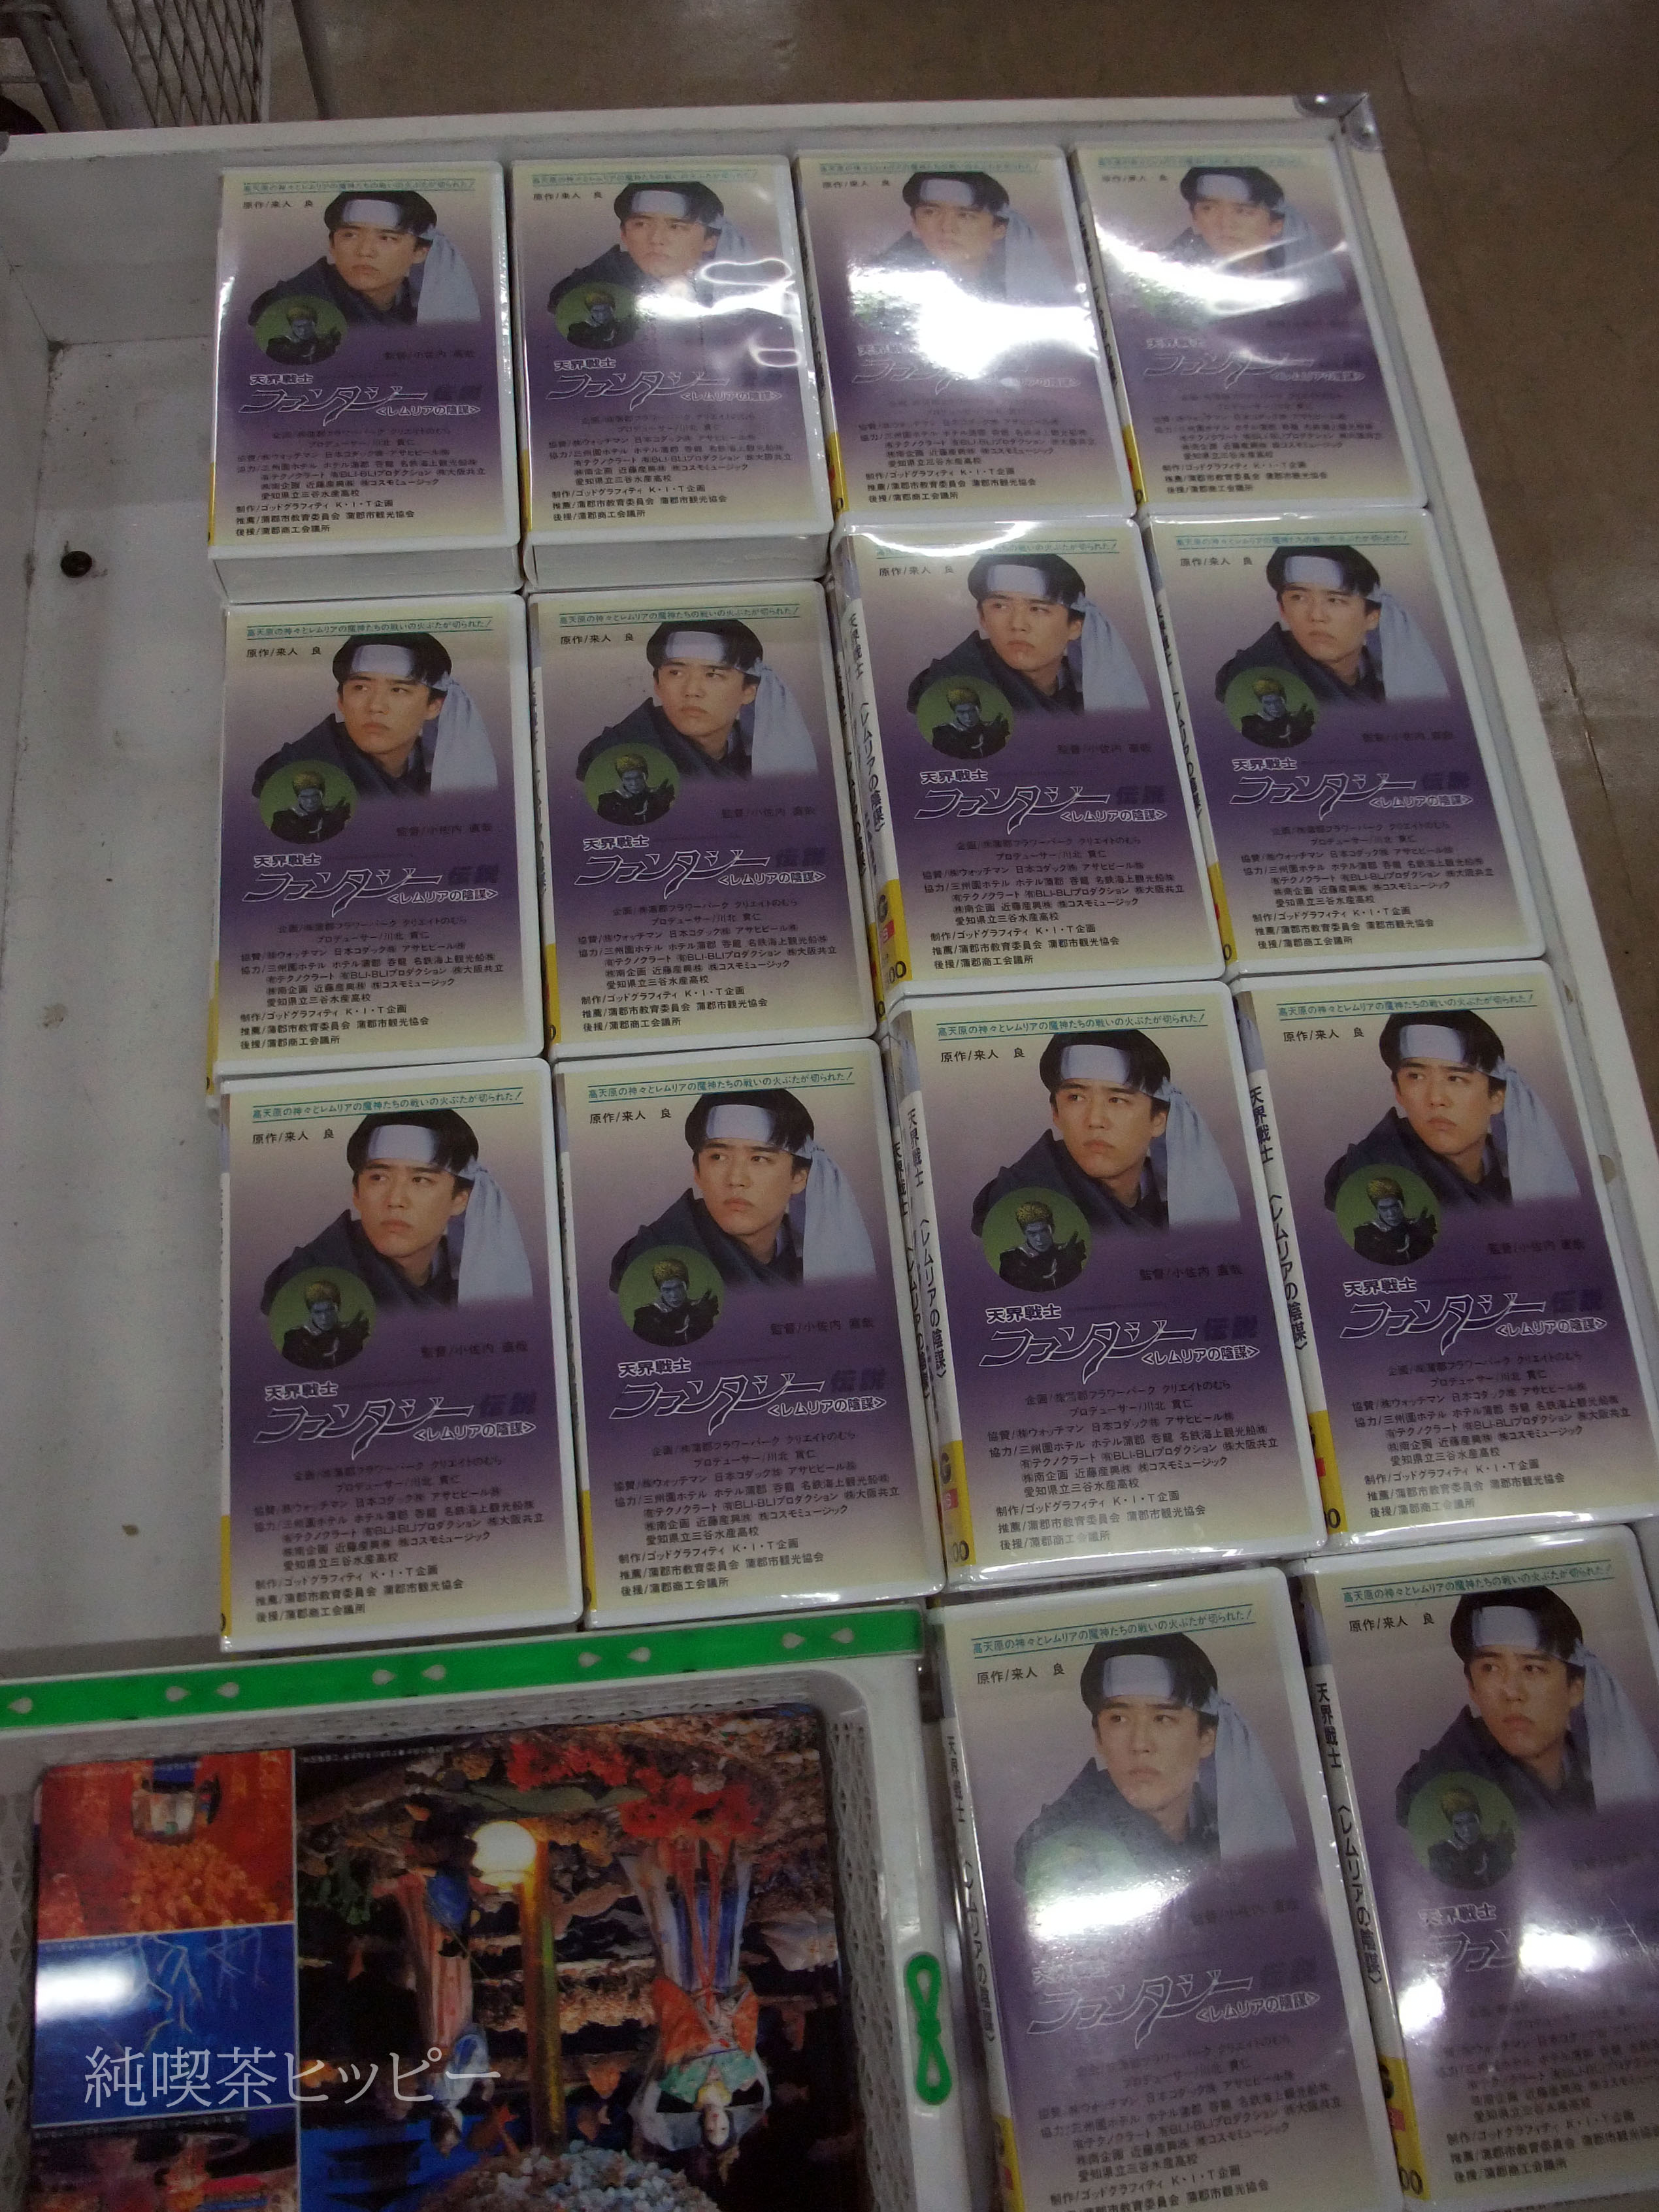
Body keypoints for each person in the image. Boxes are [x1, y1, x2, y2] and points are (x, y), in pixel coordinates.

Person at [1013, 1631, 1293, 1900]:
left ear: (1207, 1738)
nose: (1140, 1744)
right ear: (1099, 1737)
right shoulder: (1068, 1847)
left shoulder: (1230, 1824)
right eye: (1118, 1719)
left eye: (1163, 1719)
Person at [1394, 1587, 1659, 1828]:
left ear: (1575, 1689)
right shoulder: (1435, 1789)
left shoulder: (1604, 1772)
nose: (1512, 1692)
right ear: (1472, 1686)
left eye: (1532, 1668)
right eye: (1490, 1668)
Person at [972, 1030, 1238, 1242]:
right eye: (1076, 1098)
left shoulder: (1180, 1195)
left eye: (1117, 1100)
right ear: (1056, 1112)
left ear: (1158, 1120)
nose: (1095, 1120)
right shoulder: (1018, 1201)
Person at [263, 1108, 533, 1316]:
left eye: (420, 1180)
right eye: (378, 1178)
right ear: (357, 1193)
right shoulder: (312, 1282)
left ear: (460, 1200)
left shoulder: (469, 1274)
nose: (395, 1200)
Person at [609, 1090, 873, 1293]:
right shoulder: (654, 1263)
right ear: (697, 1172)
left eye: (759, 1159)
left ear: (799, 1177)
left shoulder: (817, 1253)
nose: (736, 1179)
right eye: (718, 1157)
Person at [1322, 1010, 1580, 1215]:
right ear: (1398, 1091)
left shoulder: (1519, 1169)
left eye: (1455, 1079)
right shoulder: (1370, 1176)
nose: (1436, 1099)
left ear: (1496, 1097)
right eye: (1416, 1077)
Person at [907, 553, 1150, 723]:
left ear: (1076, 627)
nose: (1018, 625)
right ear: (982, 617)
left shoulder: (1091, 688)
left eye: (1038, 609)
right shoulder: (950, 691)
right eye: (1000, 606)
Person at [253, 633, 497, 802]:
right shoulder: (293, 773)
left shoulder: (445, 770)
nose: (376, 706)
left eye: (398, 690)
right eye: (361, 688)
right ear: (341, 701)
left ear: (434, 706)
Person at [574, 621, 817, 785]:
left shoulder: (763, 753)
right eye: (676, 673)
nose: (692, 691)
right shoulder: (617, 756)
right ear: (657, 683)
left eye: (713, 674)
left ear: (749, 691)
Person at [1214, 545, 1449, 710]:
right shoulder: (1254, 682)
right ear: (1283, 609)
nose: (1316, 616)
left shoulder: (1388, 678)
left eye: (1335, 600)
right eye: (1299, 598)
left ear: (1372, 617)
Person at [248, 190, 480, 330]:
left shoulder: (421, 303)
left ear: (420, 251)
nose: (365, 251)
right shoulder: (292, 304)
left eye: (387, 238)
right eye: (350, 235)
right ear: (332, 245)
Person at [870, 170, 1070, 306]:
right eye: (930, 212)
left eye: (966, 216)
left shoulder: (1025, 288)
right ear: (915, 222)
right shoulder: (881, 288)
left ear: (999, 229)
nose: (947, 228)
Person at [549, 180, 734, 322]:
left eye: (676, 227)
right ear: (624, 234)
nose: (656, 239)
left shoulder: (732, 289)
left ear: (710, 240)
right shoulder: (587, 288)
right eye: (641, 224)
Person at [1424, 1785, 1515, 1890]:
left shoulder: (1496, 1849)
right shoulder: (1441, 1854)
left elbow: (1509, 1886)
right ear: (1452, 1825)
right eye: (1459, 1824)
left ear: (1479, 1819)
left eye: (1471, 1821)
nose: (1467, 1829)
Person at [994, 1198, 1086, 1293]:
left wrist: (1068, 1267)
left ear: (1053, 1228)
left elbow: (1077, 1293)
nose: (1039, 1239)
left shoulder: (1069, 1254)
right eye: (1032, 1234)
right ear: (1024, 1233)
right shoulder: (1012, 1260)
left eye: (1044, 1231)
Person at [628, 1255, 719, 1346]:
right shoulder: (646, 1316)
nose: (674, 1295)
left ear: (687, 1285)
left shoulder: (700, 1310)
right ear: (660, 1290)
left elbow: (707, 1347)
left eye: (679, 1288)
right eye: (667, 1290)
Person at [279, 1278, 370, 1370]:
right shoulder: (296, 1338)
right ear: (310, 1312)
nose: (324, 1318)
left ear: (338, 1308)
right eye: (318, 1312)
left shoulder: (350, 1333)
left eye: (330, 1310)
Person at [1349, 1175, 1436, 1266]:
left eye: (1395, 1207)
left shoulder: (1418, 1228)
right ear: (1377, 1209)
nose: (1391, 1214)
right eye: (1384, 1209)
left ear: (1402, 1204)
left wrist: (1422, 1238)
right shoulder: (1365, 1234)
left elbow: (1430, 1265)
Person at [267, 767, 352, 844]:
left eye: (315, 796)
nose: (310, 801)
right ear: (298, 797)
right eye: (304, 797)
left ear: (323, 795)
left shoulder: (335, 815)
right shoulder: (283, 819)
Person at [593, 750, 674, 825]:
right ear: (622, 779)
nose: (634, 784)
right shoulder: (608, 800)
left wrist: (662, 807)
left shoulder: (658, 796)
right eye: (628, 779)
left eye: (638, 778)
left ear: (646, 776)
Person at [1237, 673, 1314, 746]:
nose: (1274, 707)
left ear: (1283, 699)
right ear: (1261, 702)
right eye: (1268, 703)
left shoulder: (1298, 720)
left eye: (1277, 701)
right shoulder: (1252, 724)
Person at [261, 301, 340, 365]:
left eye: (308, 326)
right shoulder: (278, 346)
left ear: (314, 325)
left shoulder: (324, 344)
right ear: (291, 326)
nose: (304, 331)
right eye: (298, 327)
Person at [563, 286, 627, 348]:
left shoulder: (624, 327)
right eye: (596, 311)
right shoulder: (577, 331)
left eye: (606, 310)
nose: (602, 314)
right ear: (590, 311)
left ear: (613, 309)